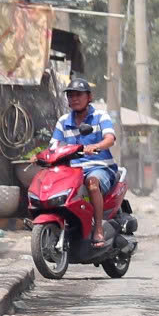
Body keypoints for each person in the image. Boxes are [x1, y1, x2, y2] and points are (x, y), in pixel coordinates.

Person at [50, 77, 117, 245]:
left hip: (99, 168)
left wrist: (96, 146)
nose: (74, 99)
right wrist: (42, 155)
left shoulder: (100, 116)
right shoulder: (63, 121)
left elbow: (110, 139)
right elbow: (53, 145)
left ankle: (98, 229)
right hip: (73, 171)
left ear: (89, 97)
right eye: (70, 95)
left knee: (92, 183)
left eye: (79, 95)